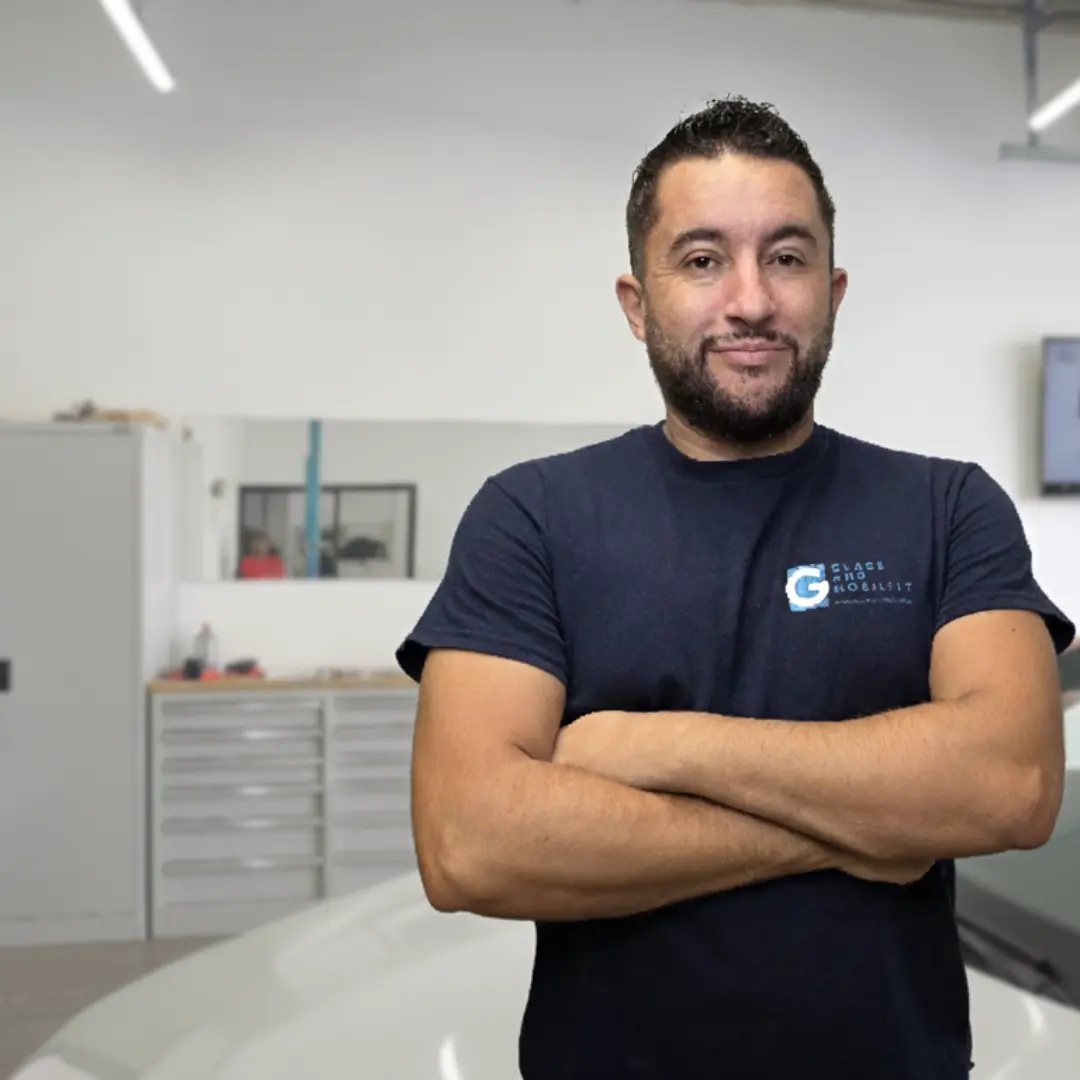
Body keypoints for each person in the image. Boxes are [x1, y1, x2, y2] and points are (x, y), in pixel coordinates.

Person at [395, 96, 1076, 1080]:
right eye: (704, 259)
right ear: (638, 302)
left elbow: (1009, 786)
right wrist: (867, 829)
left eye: (787, 257)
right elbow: (471, 845)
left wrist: (650, 747)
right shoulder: (531, 518)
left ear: (833, 292)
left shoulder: (948, 508)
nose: (751, 300)